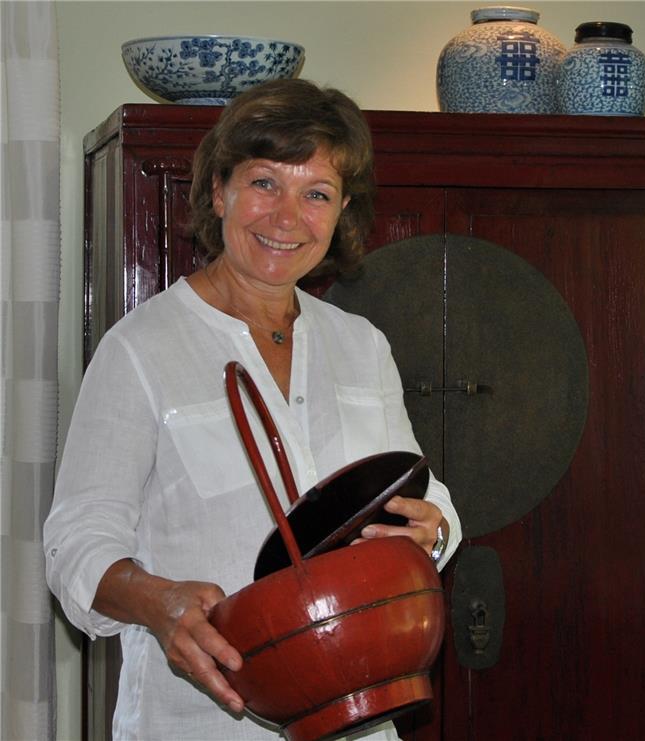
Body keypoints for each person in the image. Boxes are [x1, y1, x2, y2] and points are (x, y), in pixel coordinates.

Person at [44, 79, 461, 741]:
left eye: (316, 193)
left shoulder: (362, 346)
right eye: (265, 182)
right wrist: (159, 601)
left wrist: (431, 528)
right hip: (200, 723)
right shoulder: (141, 349)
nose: (287, 216)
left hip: (361, 720)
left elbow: (425, 494)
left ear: (341, 211)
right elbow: (75, 546)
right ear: (219, 191)